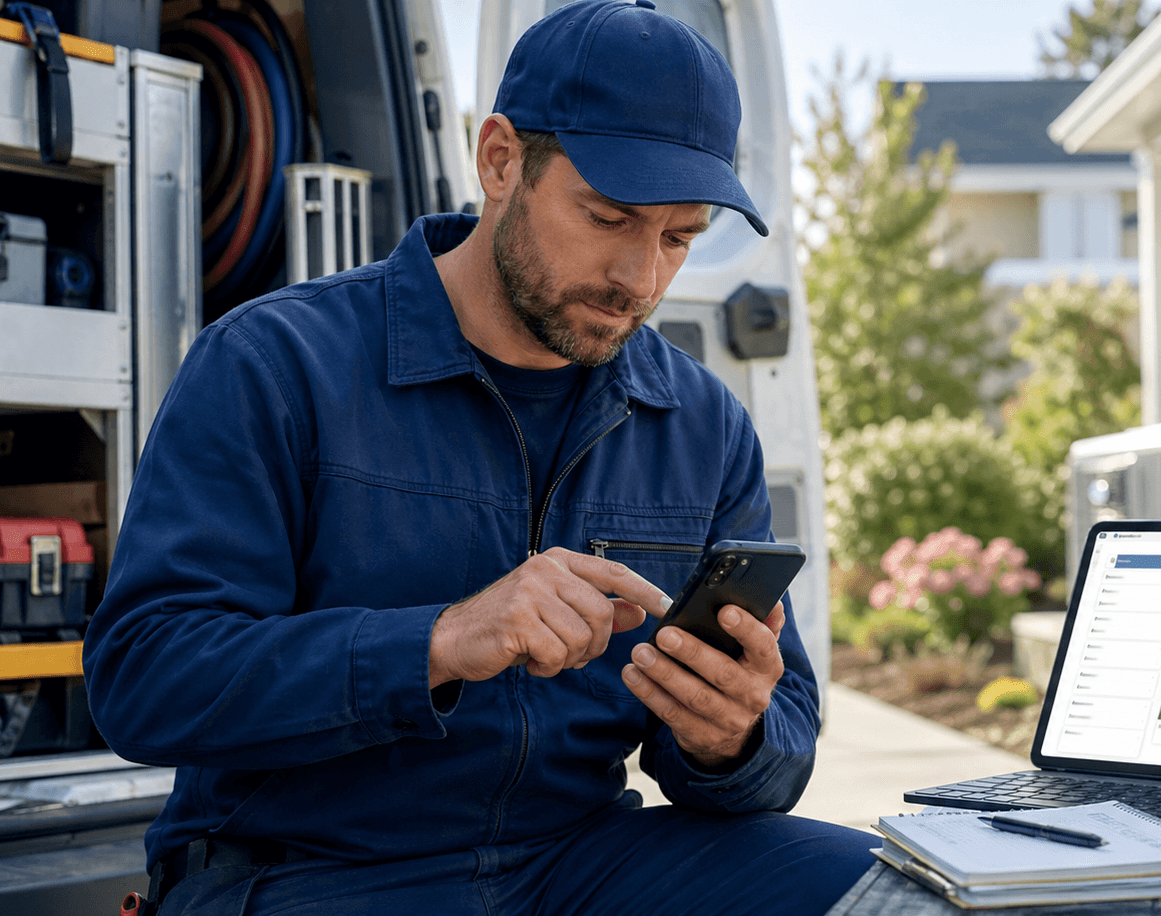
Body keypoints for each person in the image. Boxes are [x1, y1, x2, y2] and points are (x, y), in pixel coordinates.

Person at [83, 2, 876, 913]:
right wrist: (440, 642)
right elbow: (145, 680)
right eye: (608, 216)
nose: (643, 279)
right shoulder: (273, 364)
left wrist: (731, 740)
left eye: (679, 236)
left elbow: (776, 747)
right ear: (499, 159)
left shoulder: (700, 422)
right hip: (307, 870)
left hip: (578, 860)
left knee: (892, 895)